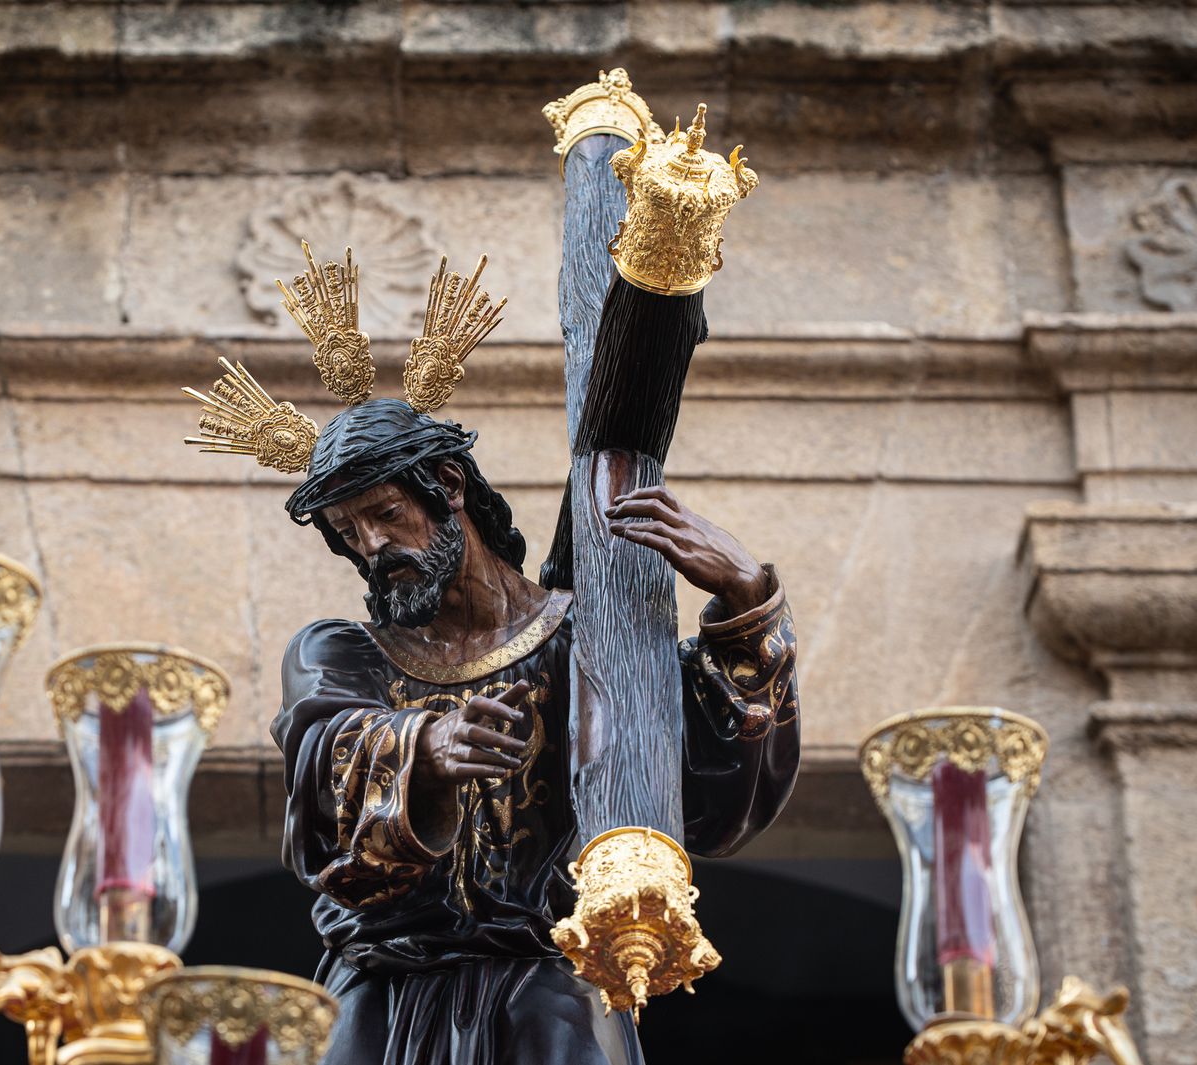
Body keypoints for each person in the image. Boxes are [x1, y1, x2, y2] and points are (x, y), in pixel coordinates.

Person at [269, 398, 799, 1065]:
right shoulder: (342, 652)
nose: (371, 546)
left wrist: (748, 600)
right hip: (381, 999)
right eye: (347, 530)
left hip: (550, 993)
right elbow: (328, 749)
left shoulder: (596, 640)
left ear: (449, 486)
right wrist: (425, 748)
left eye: (386, 513)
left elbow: (712, 804)